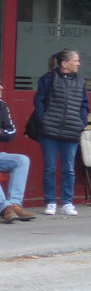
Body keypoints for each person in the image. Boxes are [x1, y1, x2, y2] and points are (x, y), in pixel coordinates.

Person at [34, 49, 89, 216]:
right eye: (76, 61)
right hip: (49, 130)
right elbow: (39, 101)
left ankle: (67, 203)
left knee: (69, 169)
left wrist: (81, 122)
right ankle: (50, 202)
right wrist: (42, 120)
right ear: (64, 63)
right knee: (50, 168)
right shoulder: (47, 79)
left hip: (72, 130)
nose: (79, 64)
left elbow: (84, 105)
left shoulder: (80, 82)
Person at [0, 85, 35, 223]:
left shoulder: (1, 105)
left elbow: (11, 132)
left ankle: (14, 204)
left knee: (22, 160)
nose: (2, 87)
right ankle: (4, 207)